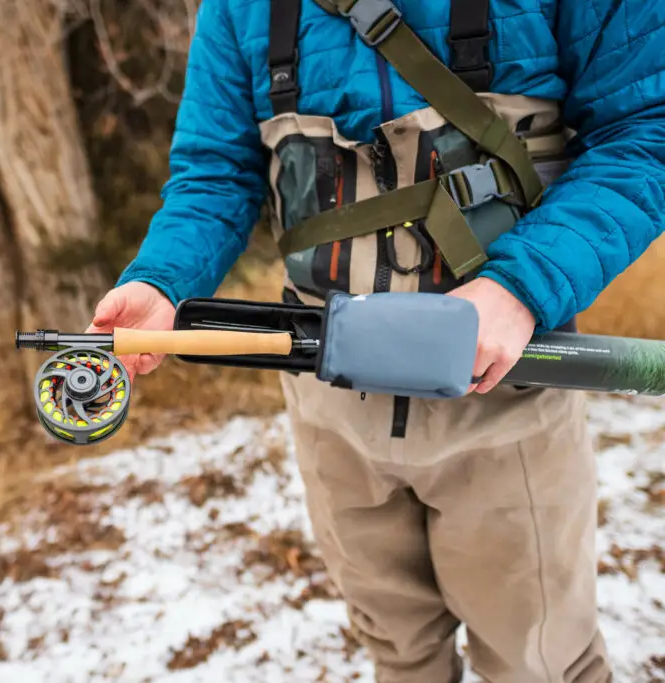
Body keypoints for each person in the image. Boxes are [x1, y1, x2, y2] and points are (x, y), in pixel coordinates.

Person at [86, 1, 665, 681]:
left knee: (542, 660)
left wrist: (520, 286)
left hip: (506, 397)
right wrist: (163, 279)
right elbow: (215, 173)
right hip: (329, 407)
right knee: (399, 655)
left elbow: (644, 135)